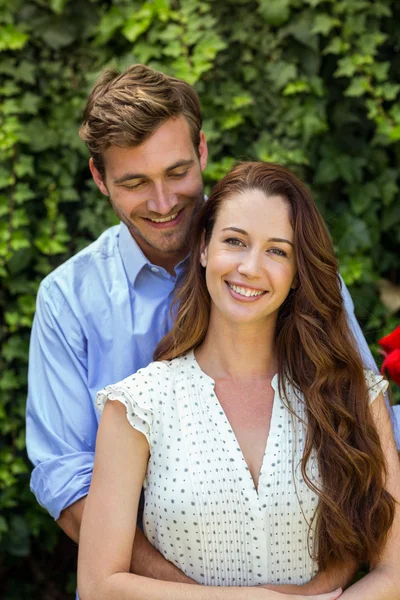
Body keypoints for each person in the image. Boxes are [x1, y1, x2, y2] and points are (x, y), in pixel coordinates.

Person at [26, 64, 389, 593]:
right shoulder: (69, 302)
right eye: (134, 182)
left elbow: (360, 441)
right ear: (99, 178)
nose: (163, 201)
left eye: (176, 172)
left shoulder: (299, 275)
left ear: (201, 151)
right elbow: (69, 484)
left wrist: (312, 591)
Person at [77, 162, 400, 600]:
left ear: (298, 270)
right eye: (235, 242)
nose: (250, 267)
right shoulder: (137, 405)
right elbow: (99, 585)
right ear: (205, 247)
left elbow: (394, 572)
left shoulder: (354, 394)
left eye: (277, 251)